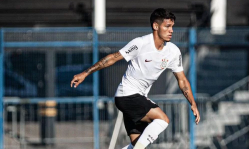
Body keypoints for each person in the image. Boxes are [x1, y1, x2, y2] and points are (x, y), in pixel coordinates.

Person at [70, 8, 200, 149]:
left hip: (138, 99)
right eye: (167, 26)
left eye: (172, 27)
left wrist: (192, 103)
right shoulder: (140, 43)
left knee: (137, 144)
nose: (171, 30)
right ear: (155, 26)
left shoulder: (173, 51)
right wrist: (86, 73)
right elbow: (113, 58)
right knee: (163, 119)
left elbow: (182, 80)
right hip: (127, 95)